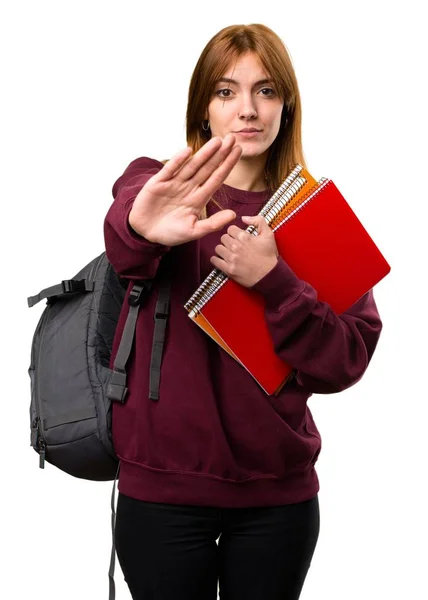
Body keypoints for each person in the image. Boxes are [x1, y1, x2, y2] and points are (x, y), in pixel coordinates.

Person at [103, 23, 383, 600]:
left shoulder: (318, 218)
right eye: (227, 91)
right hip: (161, 494)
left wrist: (274, 281)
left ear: (287, 106)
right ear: (203, 107)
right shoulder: (156, 185)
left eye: (266, 91)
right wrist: (142, 227)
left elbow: (345, 361)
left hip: (278, 499)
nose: (248, 110)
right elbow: (126, 235)